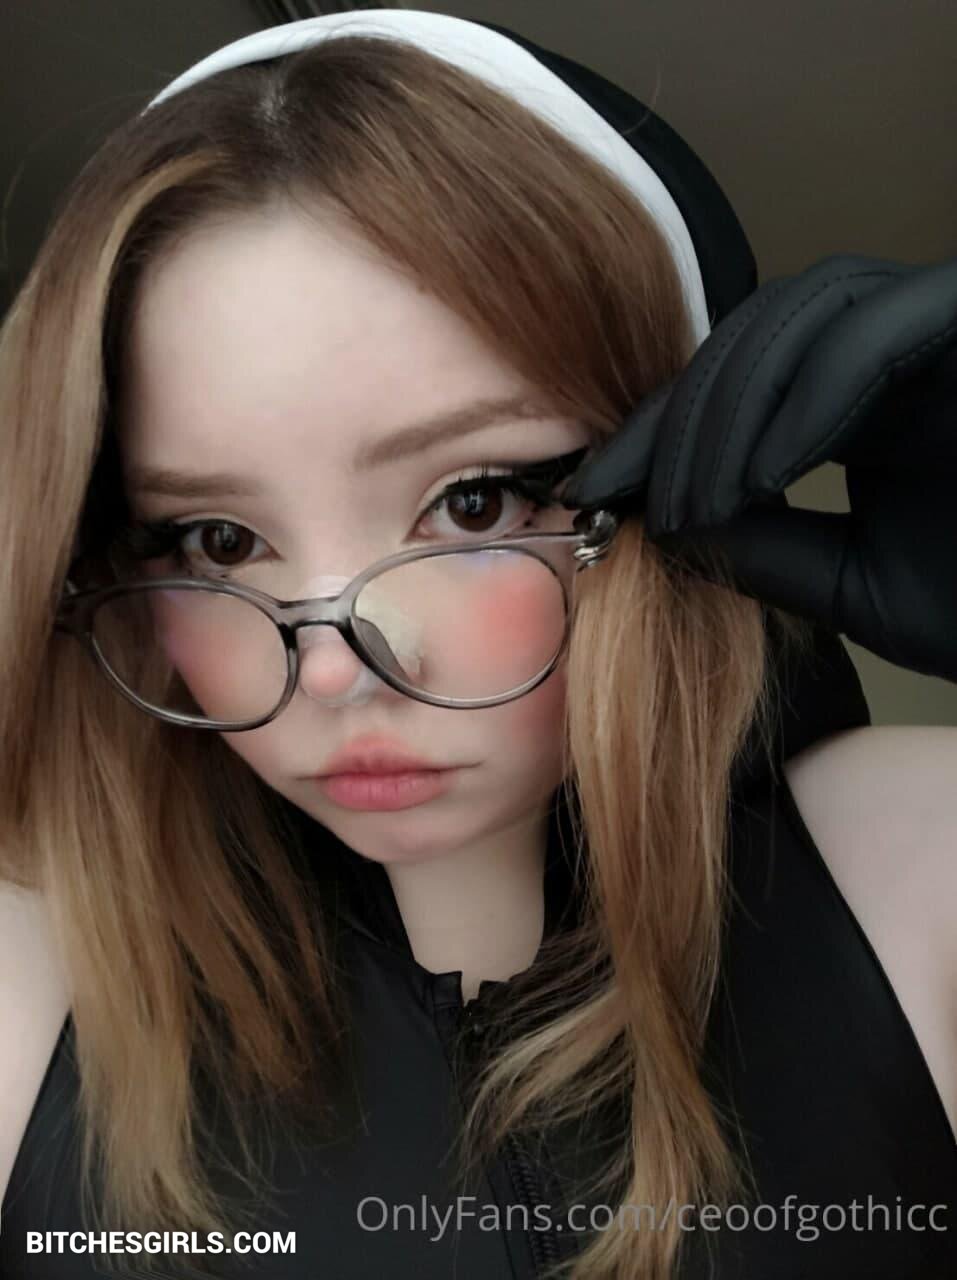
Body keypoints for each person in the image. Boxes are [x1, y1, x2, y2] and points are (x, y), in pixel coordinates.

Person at [0, 11, 954, 1280]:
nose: (334, 670)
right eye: (219, 540)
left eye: (473, 501)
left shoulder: (915, 866)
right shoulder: (32, 992)